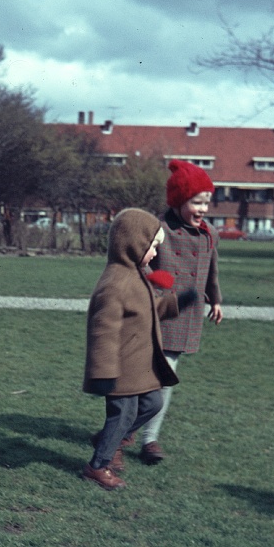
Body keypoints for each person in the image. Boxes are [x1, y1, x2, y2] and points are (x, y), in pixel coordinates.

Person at [82, 207, 197, 490]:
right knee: (122, 414)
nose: (156, 254)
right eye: (153, 247)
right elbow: (103, 333)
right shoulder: (115, 284)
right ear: (135, 243)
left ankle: (110, 438)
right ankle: (98, 466)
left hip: (138, 367)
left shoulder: (136, 276)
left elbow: (150, 308)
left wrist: (176, 302)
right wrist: (103, 372)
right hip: (119, 369)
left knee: (153, 403)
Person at [137, 159, 223, 465]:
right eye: (196, 202)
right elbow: (141, 261)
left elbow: (212, 271)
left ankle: (146, 438)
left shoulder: (209, 233)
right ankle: (132, 432)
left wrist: (216, 300)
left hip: (186, 315)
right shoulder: (159, 229)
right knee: (148, 377)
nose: (202, 209)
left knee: (165, 377)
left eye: (206, 203)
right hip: (156, 311)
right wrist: (153, 283)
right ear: (178, 200)